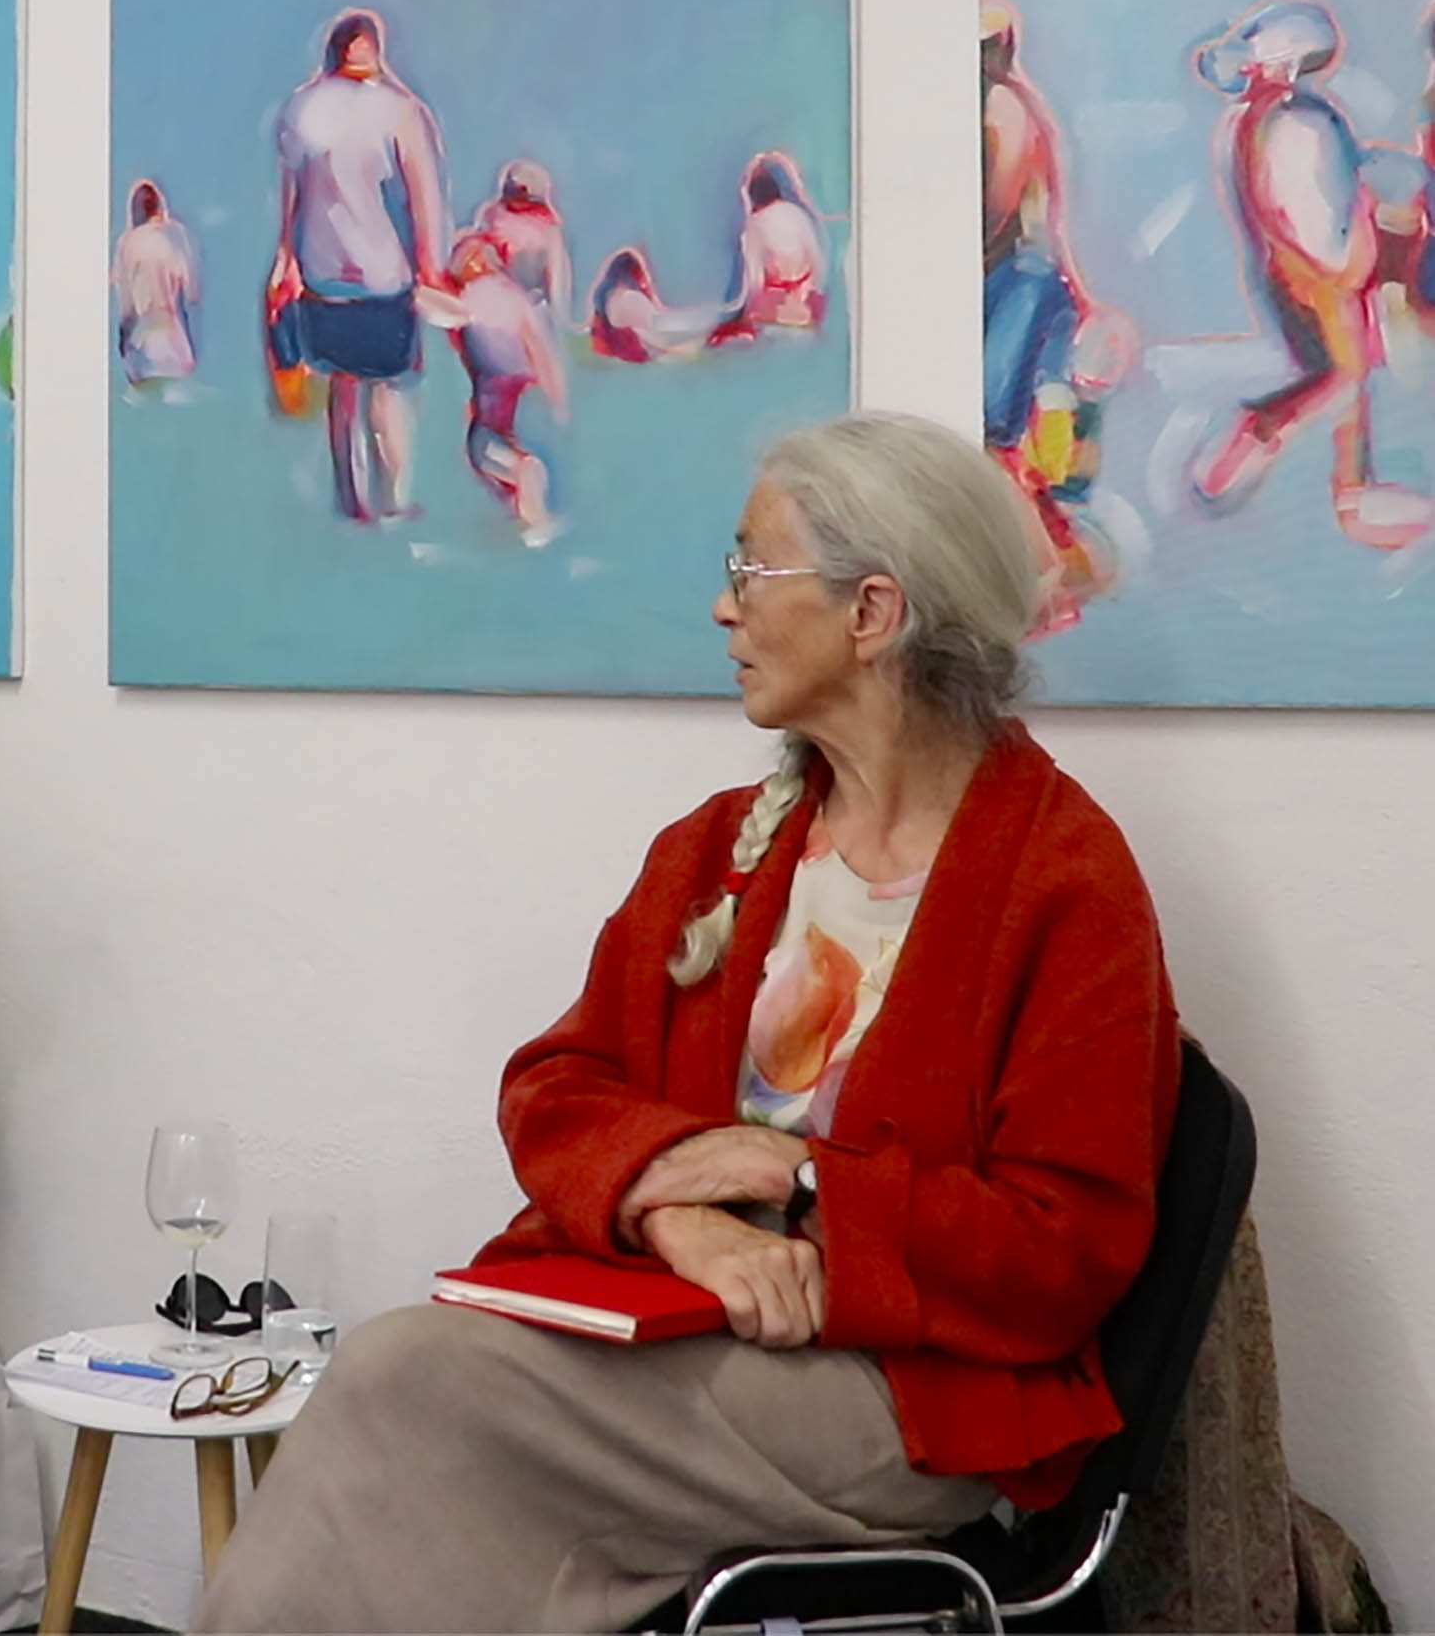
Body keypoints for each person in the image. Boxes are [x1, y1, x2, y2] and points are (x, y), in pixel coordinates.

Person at [196, 413, 1181, 1633]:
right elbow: (555, 1085)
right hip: (702, 1331)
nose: (725, 610)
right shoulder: (718, 848)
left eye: (750, 573)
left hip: (910, 1396)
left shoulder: (1065, 882)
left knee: (413, 1385)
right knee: (415, 1401)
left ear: (873, 615)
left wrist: (800, 1177)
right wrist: (679, 1214)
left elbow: (1063, 1249)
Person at [1190, 0, 1434, 550]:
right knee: (1345, 377)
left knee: (1343, 377)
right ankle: (1290, 452)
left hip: (1289, 272)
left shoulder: (1248, 122)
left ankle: (1343, 481)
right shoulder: (1301, 122)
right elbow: (1316, 211)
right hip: (1323, 275)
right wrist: (1350, 267)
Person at [980, 0, 1136, 629]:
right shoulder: (1018, 107)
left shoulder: (999, 110)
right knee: (1027, 447)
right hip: (1034, 284)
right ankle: (1058, 568)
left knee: (998, 442)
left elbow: (997, 211)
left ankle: (1050, 581)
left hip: (1017, 283)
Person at [270, 8, 452, 523]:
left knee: (342, 387)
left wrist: (287, 262)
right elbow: (425, 197)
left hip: (321, 270)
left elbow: (291, 198)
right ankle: (393, 499)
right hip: (383, 272)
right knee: (389, 388)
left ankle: (354, 503)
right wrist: (431, 268)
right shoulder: (401, 109)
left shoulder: (299, 108)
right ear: (373, 48)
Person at [416, 233, 569, 545]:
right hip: (524, 385)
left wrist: (414, 291)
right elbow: (539, 349)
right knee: (515, 454)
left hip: (495, 391)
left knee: (485, 452)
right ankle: (533, 513)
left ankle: (532, 515)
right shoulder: (517, 298)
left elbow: (447, 311)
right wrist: (556, 397)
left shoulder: (473, 296)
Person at [707, 151, 830, 347]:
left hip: (777, 309)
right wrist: (810, 294)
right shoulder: (798, 214)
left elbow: (755, 282)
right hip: (805, 307)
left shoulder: (755, 225)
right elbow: (818, 264)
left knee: (726, 337)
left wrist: (743, 318)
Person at [114, 178, 200, 385]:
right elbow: (192, 295)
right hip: (177, 346)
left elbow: (127, 311)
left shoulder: (127, 244)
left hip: (144, 347)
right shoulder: (176, 235)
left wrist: (123, 344)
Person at [472, 158, 574, 330]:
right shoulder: (491, 215)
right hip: (497, 302)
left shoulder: (548, 227)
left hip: (527, 303)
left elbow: (554, 276)